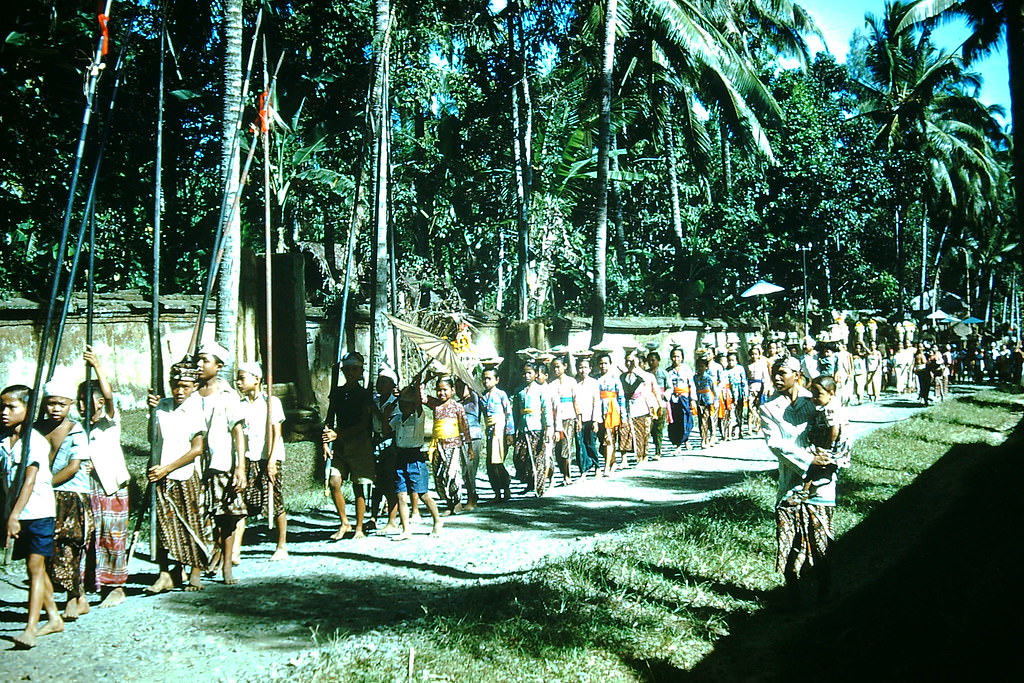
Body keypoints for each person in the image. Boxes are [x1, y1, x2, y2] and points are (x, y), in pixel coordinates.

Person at [760, 356, 833, 605]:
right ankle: (793, 594)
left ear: (797, 375)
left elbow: (834, 425)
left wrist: (825, 457)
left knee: (820, 535)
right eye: (774, 373)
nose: (777, 378)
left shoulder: (814, 399)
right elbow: (776, 444)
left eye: (783, 373)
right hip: (790, 479)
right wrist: (807, 460)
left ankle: (825, 591)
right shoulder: (769, 408)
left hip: (821, 480)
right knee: (788, 536)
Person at [2, 384, 63, 649]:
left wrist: (14, 516)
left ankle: (30, 628)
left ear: (27, 411)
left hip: (37, 512)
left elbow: (28, 482)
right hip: (16, 513)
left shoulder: (34, 442)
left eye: (12, 407)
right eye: (2, 407)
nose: (4, 412)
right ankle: (53, 617)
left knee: (34, 569)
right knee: (36, 568)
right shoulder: (4, 440)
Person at [147, 361, 211, 593]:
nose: (180, 391)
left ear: (194, 386)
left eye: (185, 386)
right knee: (162, 523)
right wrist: (151, 411)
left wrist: (168, 468)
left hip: (183, 474)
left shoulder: (196, 410)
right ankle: (165, 573)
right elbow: (152, 438)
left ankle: (195, 570)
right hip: (159, 473)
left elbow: (197, 449)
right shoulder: (161, 406)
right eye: (175, 386)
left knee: (190, 521)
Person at [37, 378, 92, 621]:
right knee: (48, 548)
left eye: (62, 404)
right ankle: (72, 597)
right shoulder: (37, 429)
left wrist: (44, 485)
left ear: (70, 404)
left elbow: (73, 467)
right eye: (51, 404)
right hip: (43, 494)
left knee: (70, 545)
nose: (56, 409)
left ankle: (73, 597)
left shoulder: (77, 430)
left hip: (70, 494)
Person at [80, 347, 131, 608]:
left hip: (111, 486)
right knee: (90, 536)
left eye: (88, 400)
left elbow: (109, 395)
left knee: (113, 535)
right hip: (88, 488)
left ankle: (116, 586)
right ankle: (91, 584)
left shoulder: (109, 421)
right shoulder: (79, 428)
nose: (82, 406)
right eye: (79, 401)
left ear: (100, 403)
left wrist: (97, 364)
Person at [194, 342, 246, 584]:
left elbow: (237, 432)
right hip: (193, 465)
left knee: (225, 517)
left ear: (219, 366)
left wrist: (240, 467)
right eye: (198, 360)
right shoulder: (190, 392)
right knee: (195, 515)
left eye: (205, 360)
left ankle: (226, 564)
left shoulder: (228, 395)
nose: (199, 365)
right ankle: (195, 567)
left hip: (220, 462)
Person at [235, 361, 288, 562]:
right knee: (244, 501)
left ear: (256, 379)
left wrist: (272, 460)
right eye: (238, 379)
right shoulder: (239, 405)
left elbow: (277, 433)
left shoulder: (271, 402)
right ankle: (236, 549)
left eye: (242, 378)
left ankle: (281, 545)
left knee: (274, 499)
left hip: (269, 457)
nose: (239, 382)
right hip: (250, 457)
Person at [323, 352, 375, 539]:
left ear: (361, 371)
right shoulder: (337, 392)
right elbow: (329, 417)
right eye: (348, 369)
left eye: (355, 369)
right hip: (340, 445)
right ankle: (345, 522)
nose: (351, 373)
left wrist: (338, 434)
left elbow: (363, 424)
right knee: (334, 482)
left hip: (359, 443)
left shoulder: (364, 394)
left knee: (359, 485)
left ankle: (359, 527)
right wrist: (325, 442)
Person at [785, 375, 851, 505]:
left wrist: (825, 447)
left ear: (831, 393)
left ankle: (806, 491)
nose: (814, 397)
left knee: (816, 464)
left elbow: (834, 430)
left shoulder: (831, 408)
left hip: (836, 444)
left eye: (818, 394)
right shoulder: (832, 402)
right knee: (817, 465)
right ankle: (809, 489)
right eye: (813, 393)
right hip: (833, 441)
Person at [391, 384, 442, 539]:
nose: (404, 406)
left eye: (408, 404)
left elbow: (419, 406)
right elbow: (387, 425)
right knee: (401, 494)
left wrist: (419, 385)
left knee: (423, 494)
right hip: (401, 457)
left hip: (415, 458)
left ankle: (437, 521)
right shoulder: (398, 419)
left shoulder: (418, 418)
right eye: (402, 403)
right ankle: (406, 529)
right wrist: (396, 397)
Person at [424, 377, 474, 513]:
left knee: (452, 474)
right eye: (439, 390)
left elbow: (464, 426)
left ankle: (457, 502)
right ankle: (448, 503)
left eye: (445, 390)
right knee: (439, 475)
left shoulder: (457, 406)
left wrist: (469, 446)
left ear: (452, 390)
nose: (441, 393)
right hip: (438, 445)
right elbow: (421, 396)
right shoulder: (435, 405)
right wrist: (425, 378)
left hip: (453, 445)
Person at [512, 362, 552, 494]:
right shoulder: (519, 391)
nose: (526, 376)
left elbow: (546, 410)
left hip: (537, 428)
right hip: (523, 428)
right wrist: (513, 431)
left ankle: (539, 487)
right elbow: (515, 412)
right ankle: (529, 482)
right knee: (520, 456)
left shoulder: (541, 390)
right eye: (524, 373)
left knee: (537, 458)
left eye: (529, 373)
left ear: (535, 374)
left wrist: (548, 428)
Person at [372, 366, 401, 529]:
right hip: (375, 442)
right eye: (379, 382)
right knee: (376, 482)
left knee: (389, 481)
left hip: (390, 444)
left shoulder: (395, 404)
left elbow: (388, 427)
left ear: (392, 386)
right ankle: (374, 516)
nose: (380, 385)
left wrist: (380, 414)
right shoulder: (375, 401)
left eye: (385, 382)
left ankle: (392, 519)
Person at [481, 366, 514, 500]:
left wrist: (510, 433)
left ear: (497, 380)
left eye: (489, 378)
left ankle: (506, 488)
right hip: (490, 433)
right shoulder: (482, 396)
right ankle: (497, 492)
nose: (486, 381)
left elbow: (508, 414)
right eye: (484, 379)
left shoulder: (501, 394)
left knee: (498, 461)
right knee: (490, 463)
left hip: (500, 432)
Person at [454, 377, 485, 510]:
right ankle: (471, 496)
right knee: (465, 470)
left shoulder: (474, 400)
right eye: (457, 387)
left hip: (473, 437)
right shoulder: (457, 403)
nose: (460, 390)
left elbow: (477, 392)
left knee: (471, 468)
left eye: (463, 387)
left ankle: (472, 498)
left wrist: (467, 377)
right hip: (461, 437)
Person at [549, 355, 580, 485]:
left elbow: (576, 400)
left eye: (558, 367)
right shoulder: (551, 384)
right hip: (556, 418)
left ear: (565, 367)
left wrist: (579, 419)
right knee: (556, 448)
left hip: (569, 417)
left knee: (566, 447)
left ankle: (567, 475)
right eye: (554, 367)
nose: (556, 370)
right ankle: (558, 473)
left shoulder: (572, 382)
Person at [595, 353, 625, 476]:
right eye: (601, 363)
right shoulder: (595, 379)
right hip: (598, 410)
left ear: (610, 364)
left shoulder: (615, 378)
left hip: (612, 410)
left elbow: (621, 397)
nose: (603, 366)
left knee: (609, 438)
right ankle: (613, 462)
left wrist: (623, 415)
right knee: (602, 439)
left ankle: (606, 467)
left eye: (606, 363)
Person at [573, 354, 601, 479]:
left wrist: (595, 421)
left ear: (590, 368)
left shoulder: (594, 383)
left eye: (585, 367)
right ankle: (583, 469)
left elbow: (596, 402)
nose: (582, 370)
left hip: (590, 418)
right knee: (580, 444)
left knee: (591, 443)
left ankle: (597, 466)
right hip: (578, 419)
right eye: (580, 367)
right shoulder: (574, 383)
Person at [666, 347, 696, 452]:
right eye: (674, 356)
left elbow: (692, 385)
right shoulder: (668, 371)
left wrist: (693, 400)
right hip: (673, 399)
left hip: (685, 397)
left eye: (678, 356)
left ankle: (686, 440)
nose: (676, 359)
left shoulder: (687, 369)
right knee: (675, 421)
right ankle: (678, 444)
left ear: (682, 358)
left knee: (687, 419)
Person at [647, 351, 669, 460]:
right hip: (649, 404)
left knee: (659, 427)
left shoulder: (664, 373)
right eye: (649, 361)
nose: (651, 363)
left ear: (658, 361)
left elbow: (669, 387)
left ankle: (658, 450)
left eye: (653, 360)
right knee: (650, 428)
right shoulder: (645, 374)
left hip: (661, 403)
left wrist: (664, 395)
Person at [694, 353, 718, 449]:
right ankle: (703, 438)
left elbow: (714, 390)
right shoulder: (695, 377)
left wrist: (715, 400)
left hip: (707, 400)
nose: (700, 368)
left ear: (706, 367)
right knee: (701, 420)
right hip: (699, 400)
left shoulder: (708, 378)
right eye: (698, 366)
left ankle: (708, 437)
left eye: (702, 366)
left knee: (707, 419)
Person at [746, 344, 771, 434]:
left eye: (756, 354)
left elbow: (766, 377)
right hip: (750, 387)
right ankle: (749, 428)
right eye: (752, 354)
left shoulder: (762, 364)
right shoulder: (747, 364)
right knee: (750, 407)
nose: (754, 356)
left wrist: (766, 388)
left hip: (760, 387)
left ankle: (759, 426)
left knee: (759, 408)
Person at [722, 352, 748, 439]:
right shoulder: (726, 371)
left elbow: (744, 381)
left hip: (739, 391)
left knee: (739, 412)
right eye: (729, 360)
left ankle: (740, 430)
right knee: (731, 412)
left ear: (737, 361)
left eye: (733, 360)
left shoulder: (740, 369)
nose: (730, 362)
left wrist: (745, 393)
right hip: (730, 392)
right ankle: (731, 431)